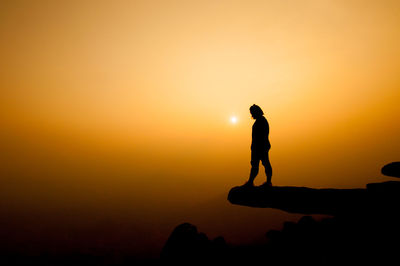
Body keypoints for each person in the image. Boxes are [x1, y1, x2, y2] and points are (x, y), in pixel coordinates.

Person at [244, 104, 272, 187]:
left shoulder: (261, 121)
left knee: (260, 164)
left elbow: (260, 136)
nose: (251, 115)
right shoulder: (261, 121)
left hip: (260, 147)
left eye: (252, 113)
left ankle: (253, 182)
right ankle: (252, 181)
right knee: (262, 164)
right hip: (260, 146)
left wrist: (255, 147)